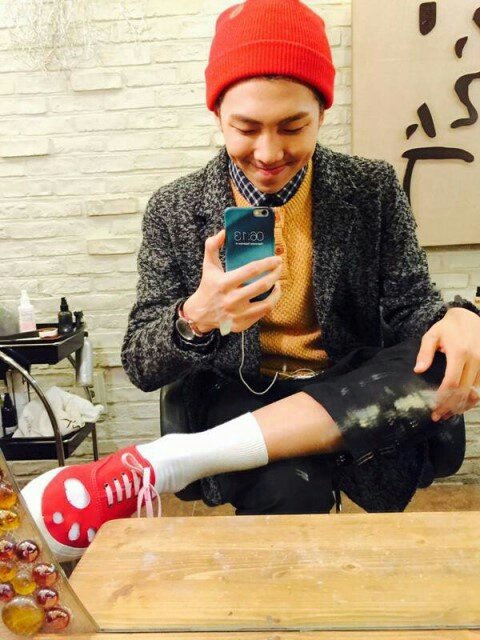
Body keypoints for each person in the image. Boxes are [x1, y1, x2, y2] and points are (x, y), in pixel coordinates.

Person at [22, 0, 480, 561]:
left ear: (322, 112)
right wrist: (196, 318)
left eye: (293, 126)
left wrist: (461, 319)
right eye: (246, 128)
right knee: (289, 493)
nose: (268, 153)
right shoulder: (175, 208)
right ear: (218, 115)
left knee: (441, 356)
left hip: (352, 383)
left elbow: (415, 313)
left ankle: (167, 461)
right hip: (242, 396)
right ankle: (193, 462)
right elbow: (140, 364)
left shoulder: (371, 189)